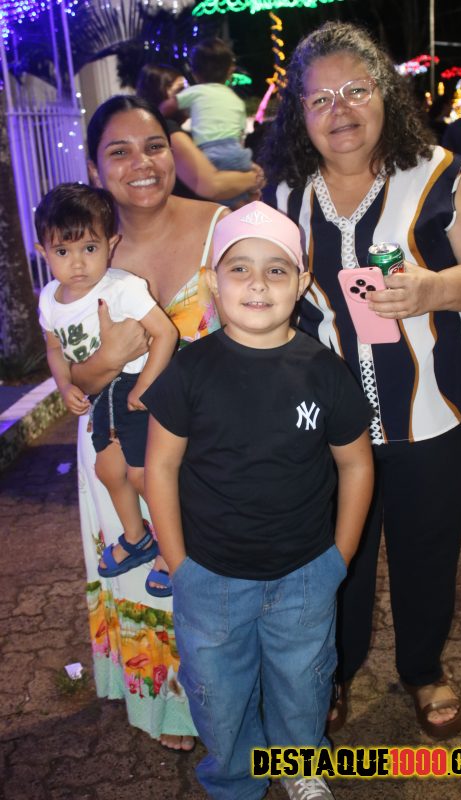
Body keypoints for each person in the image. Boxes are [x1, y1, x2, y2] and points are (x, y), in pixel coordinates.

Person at [261, 21, 461, 740]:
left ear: (385, 94)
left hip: (437, 409)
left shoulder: (436, 175)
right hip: (323, 423)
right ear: (299, 113)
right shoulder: (282, 196)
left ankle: (422, 669)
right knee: (331, 556)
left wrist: (435, 288)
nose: (339, 110)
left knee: (427, 547)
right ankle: (332, 670)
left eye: (355, 90)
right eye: (320, 99)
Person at [142, 200, 374, 800]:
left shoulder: (325, 371)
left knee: (305, 681)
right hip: (210, 576)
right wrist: (178, 560)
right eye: (239, 268)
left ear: (302, 283)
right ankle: (234, 779)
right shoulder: (188, 372)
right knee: (218, 692)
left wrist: (341, 556)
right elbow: (160, 466)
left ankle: (299, 765)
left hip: (305, 574)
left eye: (276, 270)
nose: (257, 284)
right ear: (210, 281)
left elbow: (355, 463)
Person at [71, 94, 227, 751]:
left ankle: (236, 699)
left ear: (174, 151)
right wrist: (108, 359)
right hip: (118, 450)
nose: (141, 163)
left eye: (154, 146)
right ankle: (171, 706)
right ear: (94, 167)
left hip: (214, 450)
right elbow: (74, 382)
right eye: (119, 151)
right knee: (147, 579)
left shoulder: (222, 227)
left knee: (217, 584)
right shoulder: (81, 252)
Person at [36, 183, 178, 587]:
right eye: (63, 252)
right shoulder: (49, 299)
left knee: (143, 476)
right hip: (102, 395)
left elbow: (165, 334)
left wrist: (145, 386)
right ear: (43, 252)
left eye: (89, 248)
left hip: (136, 386)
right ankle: (137, 538)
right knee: (108, 470)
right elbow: (54, 348)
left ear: (111, 244)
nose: (78, 263)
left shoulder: (121, 288)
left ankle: (173, 549)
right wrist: (65, 385)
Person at [136, 62, 263, 203]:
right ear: (161, 95)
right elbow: (212, 185)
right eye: (180, 90)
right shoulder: (168, 130)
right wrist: (253, 177)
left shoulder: (174, 131)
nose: (188, 94)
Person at [160, 37, 252, 204]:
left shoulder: (195, 92)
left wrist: (158, 115)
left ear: (195, 73)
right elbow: (240, 135)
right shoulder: (236, 100)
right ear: (229, 71)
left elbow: (168, 106)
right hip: (236, 152)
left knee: (218, 201)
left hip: (209, 154)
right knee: (239, 195)